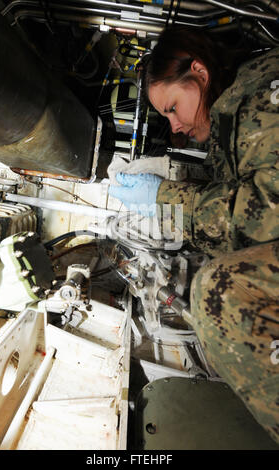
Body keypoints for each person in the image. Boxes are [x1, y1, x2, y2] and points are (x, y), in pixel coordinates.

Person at [109, 27, 279, 445]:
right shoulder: (233, 113)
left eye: (172, 107)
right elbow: (235, 198)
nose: (176, 126)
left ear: (198, 72)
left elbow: (267, 215)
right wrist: (168, 182)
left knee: (220, 290)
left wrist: (164, 196)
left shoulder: (263, 95)